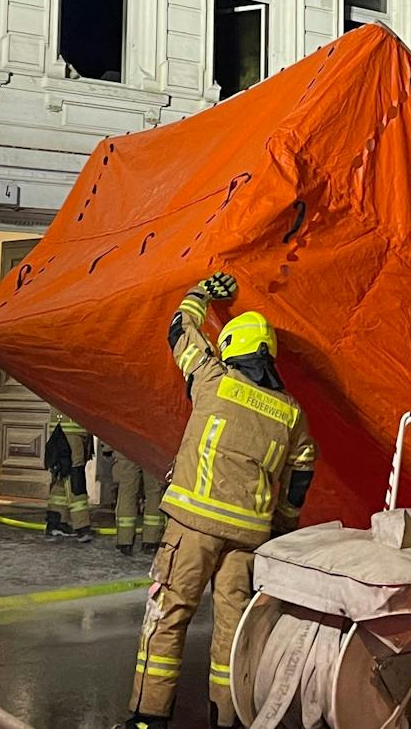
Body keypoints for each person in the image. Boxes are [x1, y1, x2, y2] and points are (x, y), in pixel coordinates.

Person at [116, 273, 317, 729]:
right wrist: (284, 521)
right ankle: (226, 719)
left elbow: (179, 329)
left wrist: (200, 293)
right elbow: (305, 463)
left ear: (231, 349)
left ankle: (149, 719)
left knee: (167, 615)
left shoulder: (212, 379)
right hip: (248, 539)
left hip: (192, 528)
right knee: (233, 633)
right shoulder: (290, 412)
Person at [43, 406, 94, 541]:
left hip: (62, 426)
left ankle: (56, 522)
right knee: (75, 477)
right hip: (72, 427)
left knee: (62, 475)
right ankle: (82, 527)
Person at [111, 451, 167, 556]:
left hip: (126, 446)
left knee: (126, 491)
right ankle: (151, 540)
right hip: (151, 449)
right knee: (154, 492)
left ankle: (124, 540)